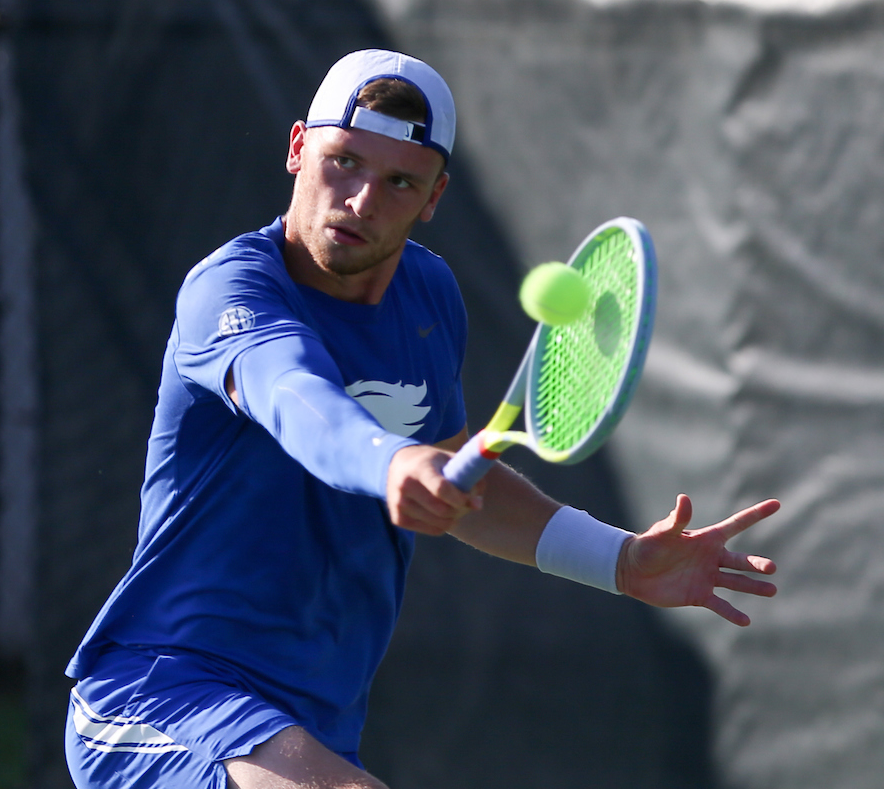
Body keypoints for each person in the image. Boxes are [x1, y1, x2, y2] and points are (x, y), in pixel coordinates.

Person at [63, 49, 779, 789]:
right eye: (344, 161)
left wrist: (620, 562)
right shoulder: (233, 289)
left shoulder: (428, 296)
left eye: (399, 181)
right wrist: (390, 463)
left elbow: (462, 482)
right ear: (298, 148)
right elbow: (295, 396)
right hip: (165, 693)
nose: (363, 200)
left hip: (316, 722)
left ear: (433, 196)